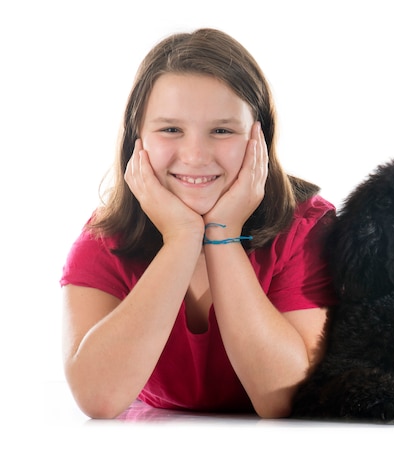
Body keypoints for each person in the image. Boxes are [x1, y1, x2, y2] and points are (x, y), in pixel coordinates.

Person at [60, 28, 337, 419]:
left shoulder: (308, 229)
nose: (194, 155)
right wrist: (181, 239)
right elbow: (98, 400)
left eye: (222, 130)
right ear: (136, 139)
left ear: (259, 138)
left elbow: (285, 400)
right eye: (170, 129)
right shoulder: (105, 236)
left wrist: (222, 234)